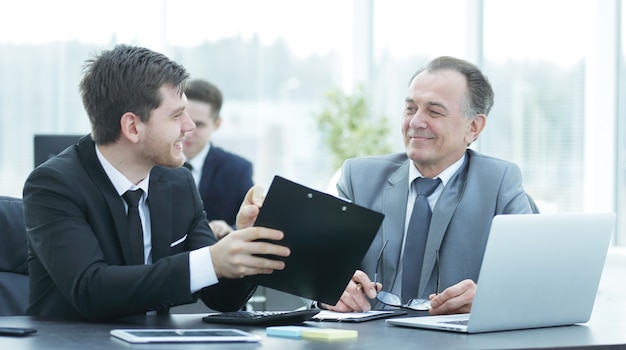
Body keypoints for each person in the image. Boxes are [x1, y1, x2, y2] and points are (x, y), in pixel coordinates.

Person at [22, 44, 290, 321]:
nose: (189, 127)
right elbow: (91, 289)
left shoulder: (178, 182)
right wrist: (211, 261)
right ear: (132, 127)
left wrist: (247, 243)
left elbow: (221, 298)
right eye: (177, 115)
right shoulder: (53, 185)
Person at [320, 56, 535, 315]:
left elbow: (531, 284)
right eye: (411, 108)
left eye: (434, 111)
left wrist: (490, 298)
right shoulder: (359, 177)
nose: (415, 122)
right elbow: (318, 273)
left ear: (474, 127)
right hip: (370, 337)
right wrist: (329, 289)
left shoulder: (500, 183)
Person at [183, 79, 254, 239]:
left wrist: (230, 229)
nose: (188, 131)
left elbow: (252, 223)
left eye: (199, 125)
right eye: (183, 120)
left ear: (217, 124)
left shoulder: (237, 169)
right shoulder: (153, 164)